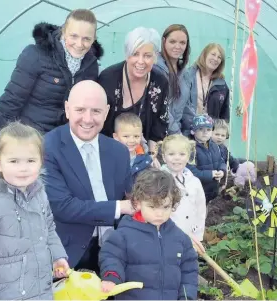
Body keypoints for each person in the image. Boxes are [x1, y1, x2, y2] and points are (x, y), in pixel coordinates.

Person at [0, 122, 69, 300]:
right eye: (14, 161)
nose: (23, 168)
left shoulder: (38, 194)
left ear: (41, 161)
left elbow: (48, 227)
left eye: (31, 160)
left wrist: (57, 256)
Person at [0, 9, 103, 150]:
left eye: (87, 39)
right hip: (29, 140)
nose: (79, 44)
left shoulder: (91, 66)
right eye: (74, 36)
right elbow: (11, 101)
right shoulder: (36, 55)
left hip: (63, 143)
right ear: (63, 31)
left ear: (94, 38)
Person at [43, 80, 135, 274]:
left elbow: (132, 196)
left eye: (96, 111)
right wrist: (120, 207)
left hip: (114, 251)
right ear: (67, 109)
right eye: (80, 110)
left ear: (107, 111)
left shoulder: (119, 151)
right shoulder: (48, 148)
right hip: (68, 254)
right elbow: (63, 207)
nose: (87, 119)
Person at [99, 168, 198, 300]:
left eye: (166, 207)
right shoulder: (123, 235)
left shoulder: (180, 238)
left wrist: (187, 297)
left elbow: (189, 272)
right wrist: (111, 277)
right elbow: (111, 257)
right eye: (152, 207)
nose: (160, 213)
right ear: (138, 203)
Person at [98, 27, 171, 162]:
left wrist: (151, 155)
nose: (141, 61)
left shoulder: (160, 82)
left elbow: (160, 125)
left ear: (155, 56)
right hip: (106, 152)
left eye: (147, 55)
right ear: (126, 55)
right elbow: (97, 121)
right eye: (135, 54)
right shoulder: (108, 78)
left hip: (141, 153)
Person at [160, 134, 206, 241]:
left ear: (188, 156)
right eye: (171, 154)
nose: (177, 158)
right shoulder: (158, 181)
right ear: (163, 157)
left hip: (190, 236)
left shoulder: (194, 181)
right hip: (167, 237)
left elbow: (200, 210)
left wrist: (198, 236)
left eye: (182, 154)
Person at [183, 43, 230, 135]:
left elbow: (224, 114)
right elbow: (181, 106)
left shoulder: (222, 84)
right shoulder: (187, 76)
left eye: (219, 57)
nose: (215, 59)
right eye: (213, 54)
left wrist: (219, 132)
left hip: (209, 134)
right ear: (204, 55)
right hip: (188, 131)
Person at [153, 24, 192, 135]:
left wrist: (197, 125)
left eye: (182, 43)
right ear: (164, 41)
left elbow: (186, 107)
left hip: (177, 135)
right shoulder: (155, 69)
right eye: (172, 42)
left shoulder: (185, 73)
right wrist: (177, 133)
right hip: (158, 134)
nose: (177, 46)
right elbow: (161, 107)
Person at [187, 114, 227, 202]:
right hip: (197, 191)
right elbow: (191, 172)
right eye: (201, 129)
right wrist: (211, 174)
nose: (205, 132)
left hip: (212, 189)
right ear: (193, 131)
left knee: (206, 210)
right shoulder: (191, 149)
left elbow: (221, 161)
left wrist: (222, 171)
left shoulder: (215, 145)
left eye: (208, 129)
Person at [212, 119, 257, 188]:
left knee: (244, 164)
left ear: (226, 136)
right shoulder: (209, 148)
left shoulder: (223, 148)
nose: (219, 137)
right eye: (217, 134)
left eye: (223, 135)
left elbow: (229, 159)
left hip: (223, 174)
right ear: (211, 133)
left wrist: (237, 166)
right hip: (215, 176)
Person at [113, 112, 153, 181]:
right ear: (116, 137)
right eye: (126, 136)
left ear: (141, 136)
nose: (132, 140)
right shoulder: (110, 158)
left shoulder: (145, 159)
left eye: (136, 136)